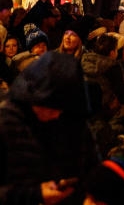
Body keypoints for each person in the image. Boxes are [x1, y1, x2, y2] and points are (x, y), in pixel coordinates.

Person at [0, 52, 99, 205]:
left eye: (60, 108)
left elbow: (91, 168)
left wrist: (93, 195)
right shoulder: (6, 123)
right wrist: (35, 195)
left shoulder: (73, 121)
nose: (53, 113)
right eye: (46, 105)